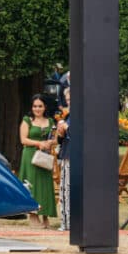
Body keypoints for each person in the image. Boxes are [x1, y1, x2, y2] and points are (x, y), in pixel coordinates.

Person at [17, 94, 57, 228]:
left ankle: (45, 215)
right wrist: (38, 143)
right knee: (32, 184)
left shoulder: (50, 121)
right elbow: (23, 140)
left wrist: (50, 142)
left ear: (45, 107)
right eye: (35, 106)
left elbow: (55, 139)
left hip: (44, 157)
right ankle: (33, 216)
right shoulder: (27, 120)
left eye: (40, 106)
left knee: (45, 185)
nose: (37, 109)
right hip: (30, 155)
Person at [55, 87, 72, 232]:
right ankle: (66, 222)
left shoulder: (82, 115)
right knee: (65, 190)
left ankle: (68, 222)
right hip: (67, 153)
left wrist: (66, 128)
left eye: (71, 100)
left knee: (68, 190)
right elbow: (61, 139)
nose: (69, 102)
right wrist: (60, 133)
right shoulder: (68, 116)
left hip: (74, 155)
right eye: (67, 100)